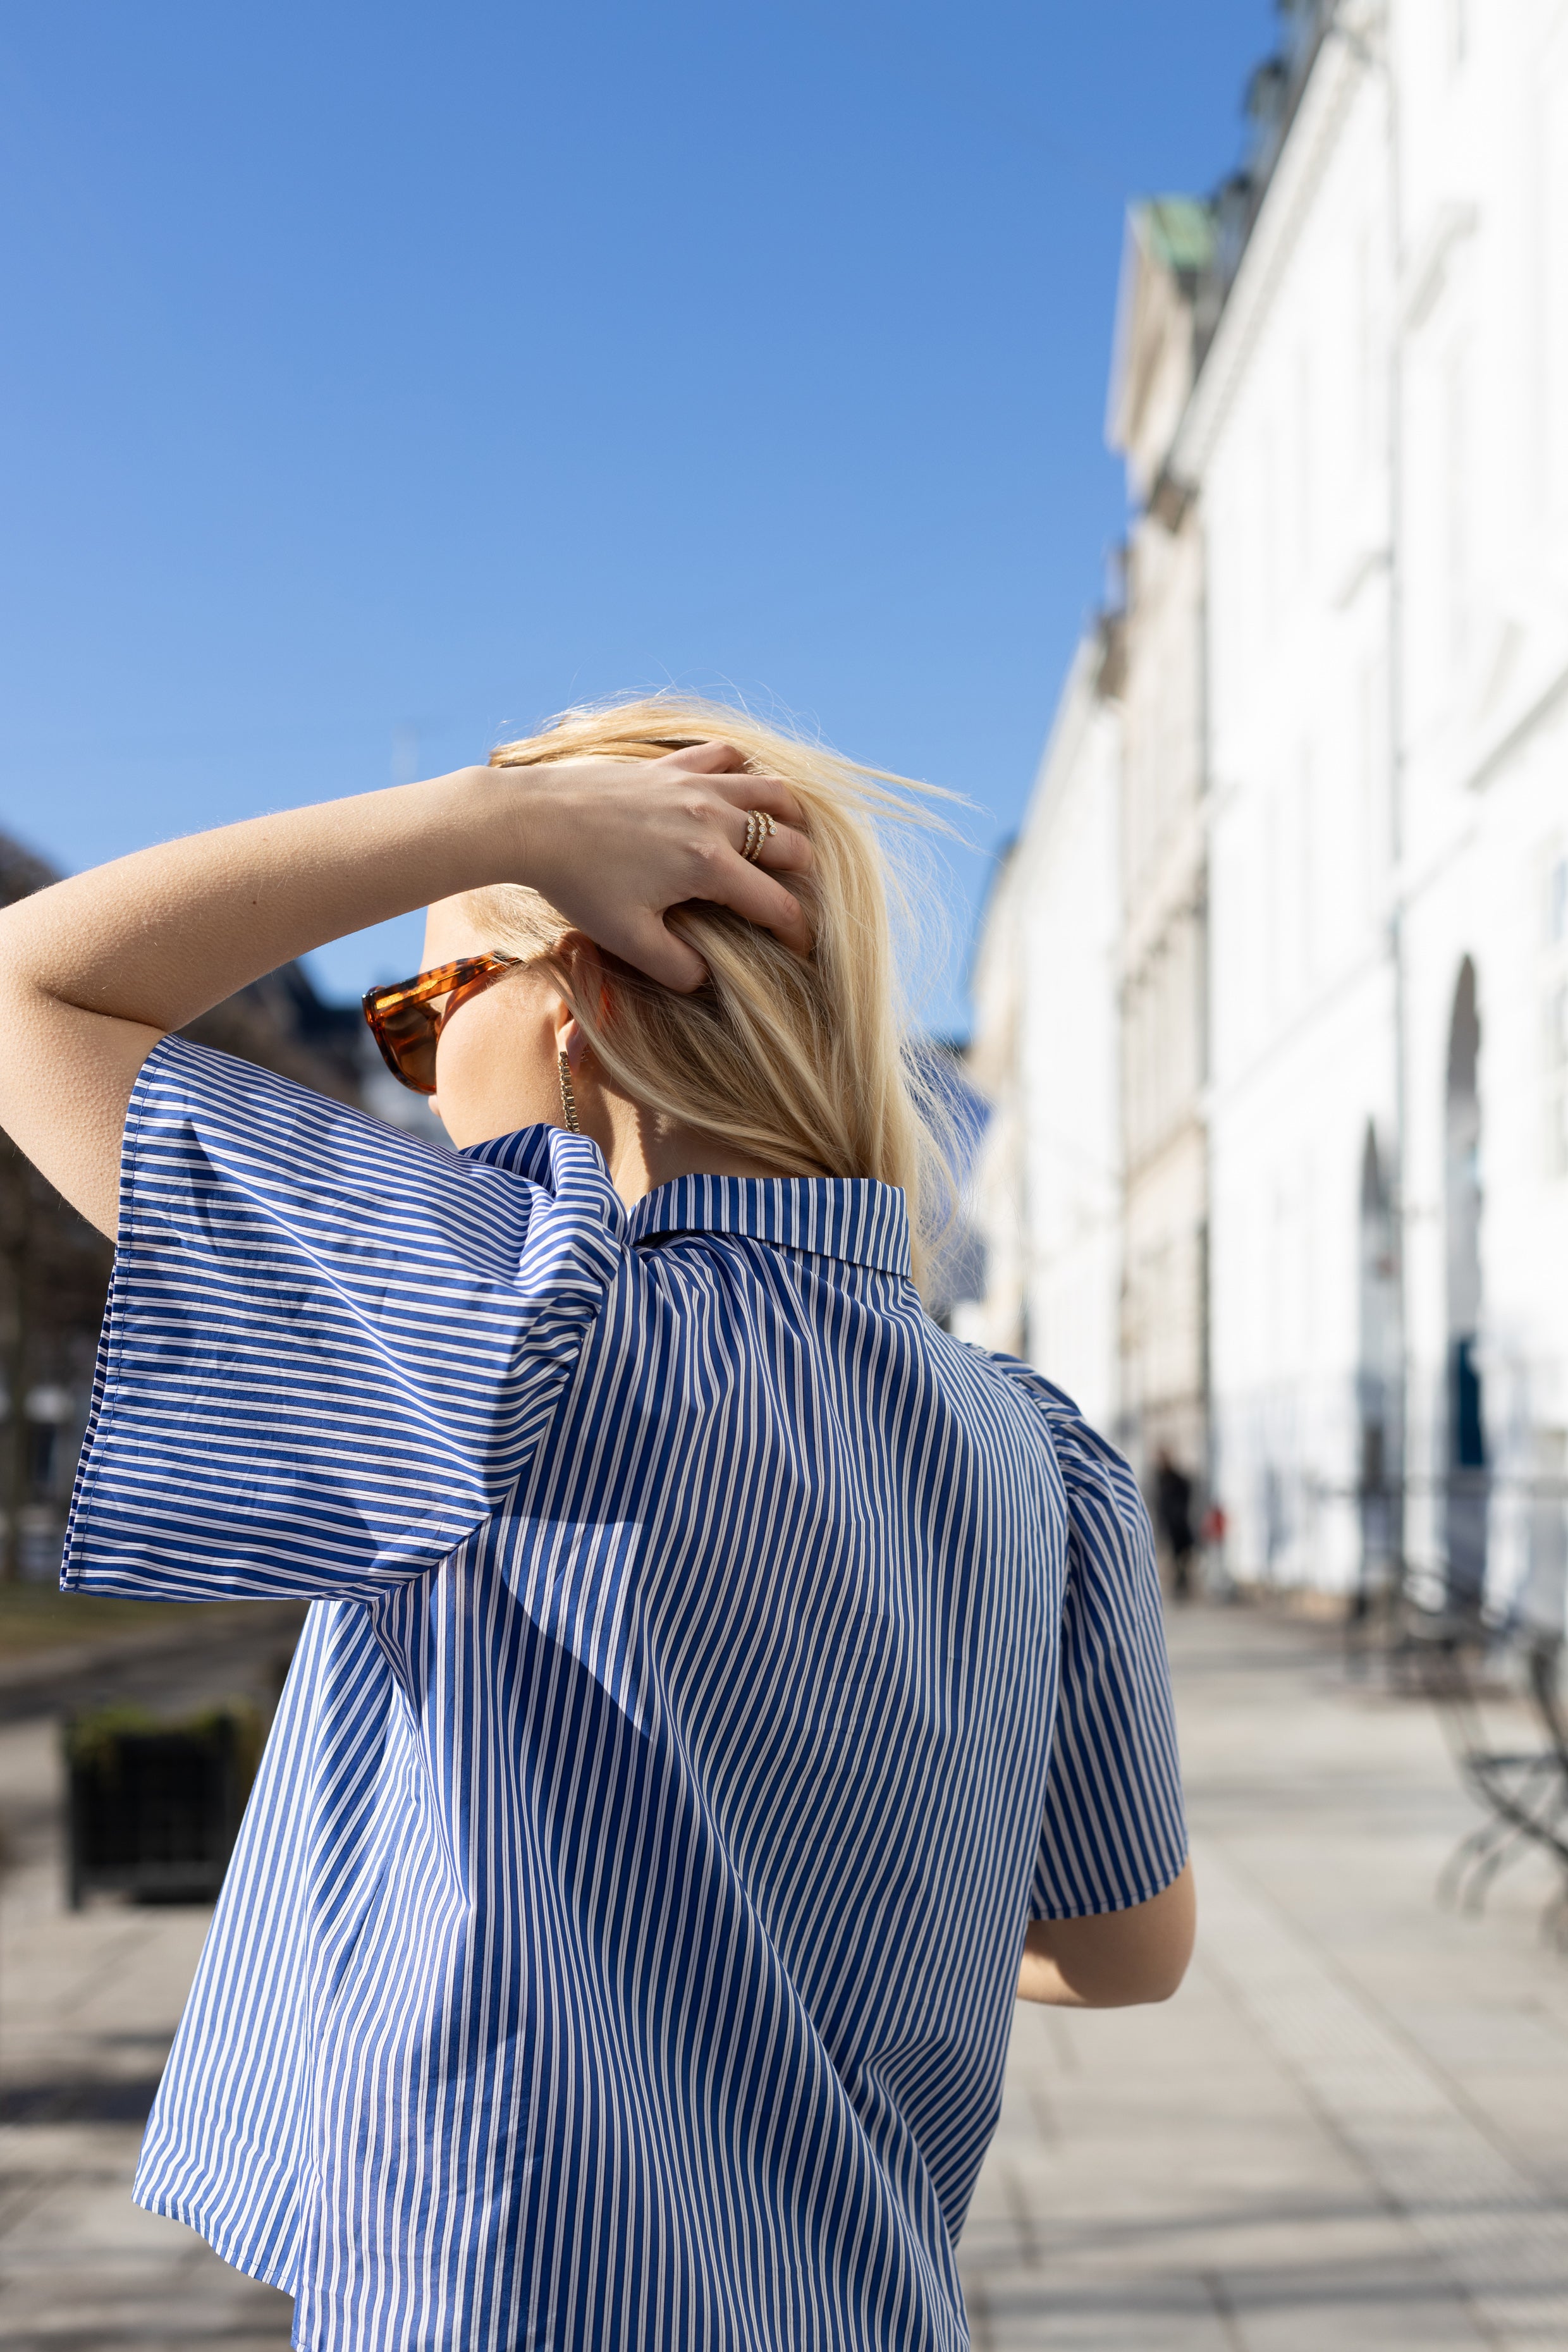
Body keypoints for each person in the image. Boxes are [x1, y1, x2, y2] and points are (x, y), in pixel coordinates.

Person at [0, 697, 1193, 2352]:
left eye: (424, 1018)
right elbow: (1125, 1950)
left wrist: (487, 823)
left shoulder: (515, 1331)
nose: (415, 1086)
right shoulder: (1043, 1459)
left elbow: (27, 991)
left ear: (583, 1008)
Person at [1155, 1447, 1199, 1603]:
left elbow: (1185, 1494)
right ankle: (1181, 1588)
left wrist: (1178, 1514)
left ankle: (1184, 1587)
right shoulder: (1162, 1479)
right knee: (1177, 1559)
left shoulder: (1176, 1479)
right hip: (1171, 1526)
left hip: (1180, 1526)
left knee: (1182, 1558)